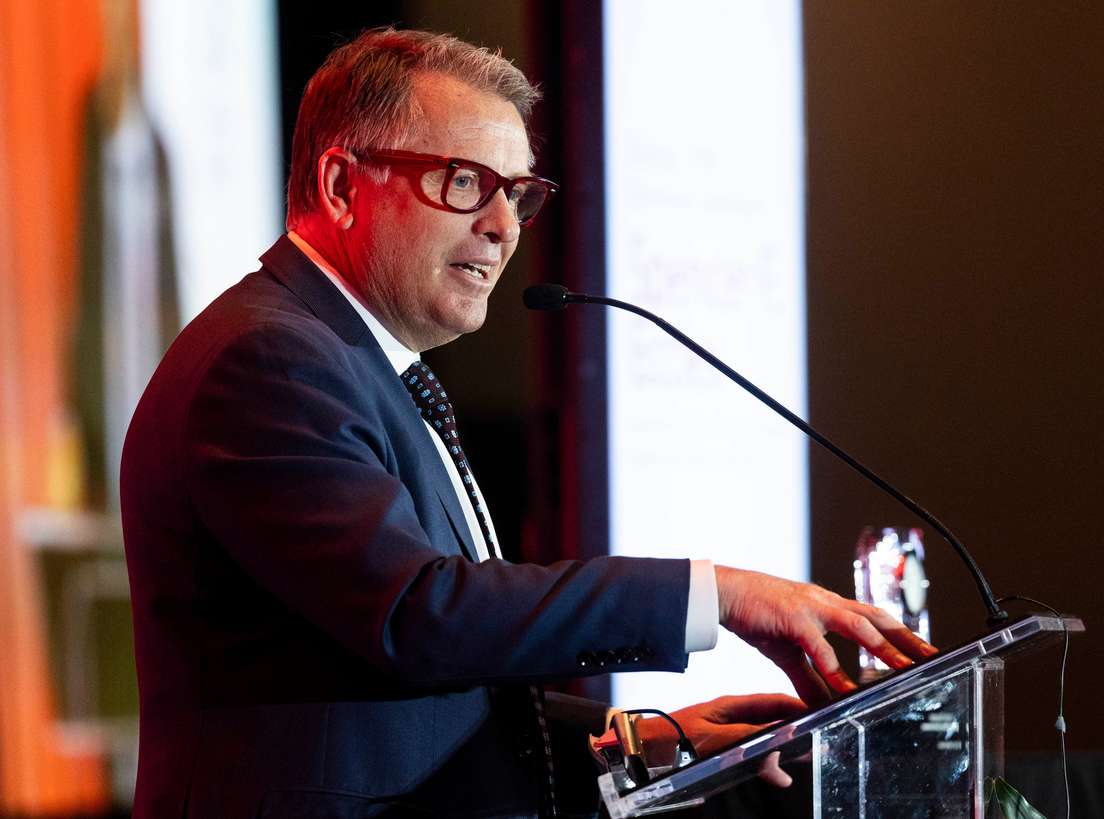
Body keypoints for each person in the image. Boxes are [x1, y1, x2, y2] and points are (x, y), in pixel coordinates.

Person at [120, 28, 935, 819]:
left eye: (517, 193)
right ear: (341, 186)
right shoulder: (269, 361)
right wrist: (716, 594)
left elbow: (420, 696)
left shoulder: (356, 366)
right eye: (467, 181)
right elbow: (418, 617)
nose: (504, 227)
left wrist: (648, 740)